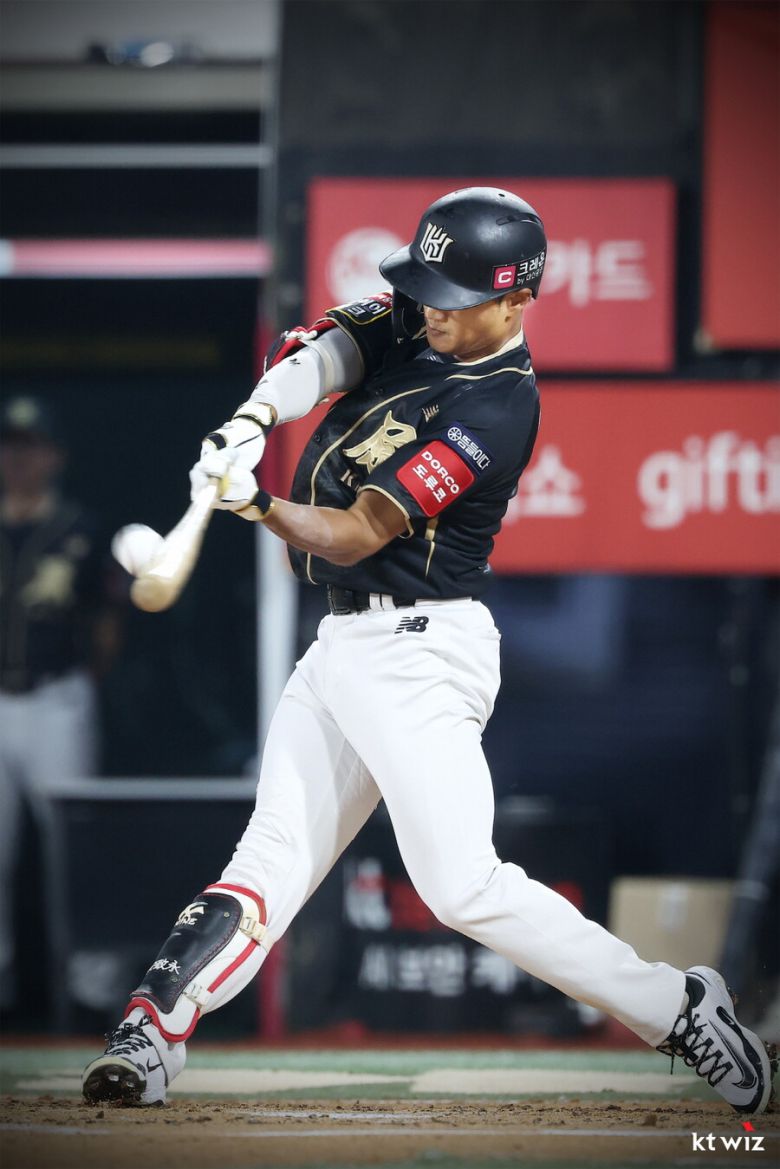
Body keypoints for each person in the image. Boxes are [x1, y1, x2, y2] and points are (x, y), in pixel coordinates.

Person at [81, 188, 776, 1113]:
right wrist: (254, 418)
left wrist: (255, 502)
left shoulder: (500, 407)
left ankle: (680, 1008)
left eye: (456, 297)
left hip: (420, 649)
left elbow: (359, 532)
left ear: (515, 300)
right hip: (343, 642)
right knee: (268, 858)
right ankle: (152, 1027)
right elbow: (328, 352)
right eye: (428, 290)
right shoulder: (422, 313)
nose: (432, 310)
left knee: (462, 887)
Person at [0, 395, 121, 1012]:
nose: (19, 459)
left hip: (55, 699)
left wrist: (85, 683)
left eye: (31, 447)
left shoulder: (81, 528)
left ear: (54, 456)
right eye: (10, 447)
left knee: (75, 847)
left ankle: (91, 990)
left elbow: (107, 622)